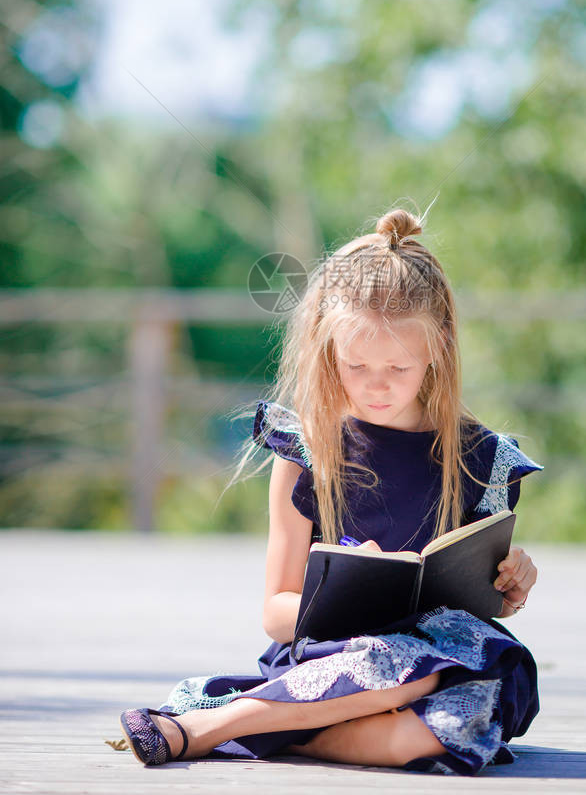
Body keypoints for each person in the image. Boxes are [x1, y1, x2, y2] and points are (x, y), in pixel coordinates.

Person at [119, 208, 543, 775]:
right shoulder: (308, 453)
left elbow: (486, 604)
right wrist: (349, 596)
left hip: (448, 668)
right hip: (339, 655)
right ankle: (208, 728)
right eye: (356, 364)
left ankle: (282, 734)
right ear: (327, 347)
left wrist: (512, 584)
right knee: (392, 666)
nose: (376, 384)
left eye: (398, 366)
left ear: (437, 347)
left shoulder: (481, 461)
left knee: (450, 706)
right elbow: (275, 611)